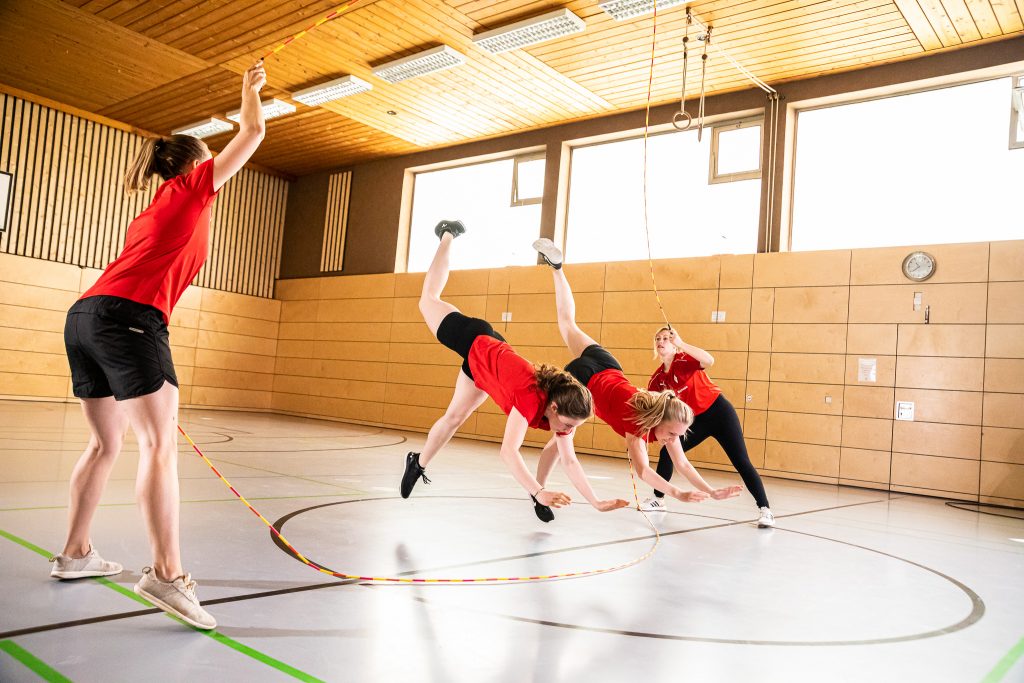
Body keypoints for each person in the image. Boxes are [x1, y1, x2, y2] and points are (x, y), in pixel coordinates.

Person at [49, 61, 269, 630]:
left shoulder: (151, 209)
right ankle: (168, 575)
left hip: (85, 317)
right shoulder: (190, 188)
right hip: (129, 321)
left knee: (106, 445)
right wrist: (249, 94)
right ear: (198, 163)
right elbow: (254, 134)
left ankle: (75, 554)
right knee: (158, 447)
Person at [403, 220, 628, 521]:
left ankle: (417, 463)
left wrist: (597, 502)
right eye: (567, 424)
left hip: (484, 369)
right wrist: (538, 492)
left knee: (455, 417)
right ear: (555, 405)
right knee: (427, 300)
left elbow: (570, 461)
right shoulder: (529, 397)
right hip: (474, 340)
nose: (566, 431)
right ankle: (447, 234)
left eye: (573, 426)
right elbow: (508, 452)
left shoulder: (560, 412)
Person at [532, 238, 743, 506]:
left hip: (607, 363)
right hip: (584, 381)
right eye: (672, 434)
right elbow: (643, 471)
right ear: (660, 421)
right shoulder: (638, 424)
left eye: (677, 435)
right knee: (560, 439)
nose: (674, 440)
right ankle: (537, 492)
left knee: (567, 323)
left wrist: (711, 491)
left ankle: (557, 268)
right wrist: (678, 493)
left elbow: (683, 463)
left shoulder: (664, 416)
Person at [645, 327, 775, 527]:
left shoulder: (683, 360)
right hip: (693, 421)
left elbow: (709, 360)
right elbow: (655, 409)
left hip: (719, 412)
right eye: (658, 339)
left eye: (666, 338)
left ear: (673, 344)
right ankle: (658, 499)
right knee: (667, 453)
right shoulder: (657, 380)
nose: (661, 341)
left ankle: (765, 509)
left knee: (741, 461)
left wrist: (681, 343)